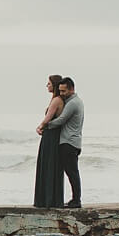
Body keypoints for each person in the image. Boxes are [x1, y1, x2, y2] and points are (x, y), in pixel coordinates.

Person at [38, 76, 85, 208]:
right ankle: (74, 199)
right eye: (61, 91)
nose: (62, 94)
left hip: (69, 142)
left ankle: (76, 200)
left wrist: (45, 126)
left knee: (72, 172)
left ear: (72, 89)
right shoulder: (74, 101)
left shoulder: (73, 103)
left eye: (64, 91)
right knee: (71, 172)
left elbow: (61, 119)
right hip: (72, 141)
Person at [33, 75, 65, 208]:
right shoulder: (57, 99)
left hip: (51, 136)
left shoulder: (57, 100)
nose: (47, 85)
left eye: (49, 83)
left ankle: (46, 200)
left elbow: (48, 118)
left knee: (48, 165)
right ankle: (49, 198)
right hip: (52, 135)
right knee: (50, 165)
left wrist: (40, 126)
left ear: (55, 85)